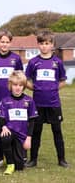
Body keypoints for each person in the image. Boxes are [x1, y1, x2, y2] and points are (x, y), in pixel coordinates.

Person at [25, 30, 69, 168]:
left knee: (57, 131)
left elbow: (63, 81)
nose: (44, 46)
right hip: (37, 104)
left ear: (52, 45)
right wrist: (36, 88)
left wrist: (53, 89)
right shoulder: (33, 62)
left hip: (53, 104)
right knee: (36, 132)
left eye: (47, 43)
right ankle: (33, 160)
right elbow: (26, 80)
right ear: (38, 45)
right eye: (42, 43)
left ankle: (61, 160)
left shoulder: (57, 62)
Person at [0, 29, 23, 167]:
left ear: (10, 43)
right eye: (2, 41)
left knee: (16, 126)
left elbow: (19, 77)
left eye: (7, 42)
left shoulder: (16, 59)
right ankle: (0, 157)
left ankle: (16, 154)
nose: (4, 44)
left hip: (14, 100)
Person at [0, 71, 38, 175]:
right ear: (10, 85)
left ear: (24, 86)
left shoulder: (29, 101)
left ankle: (16, 159)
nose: (18, 87)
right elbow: (0, 118)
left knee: (20, 167)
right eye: (15, 85)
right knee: (5, 137)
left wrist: (28, 138)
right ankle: (10, 164)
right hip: (10, 133)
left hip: (22, 137)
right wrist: (4, 127)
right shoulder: (5, 101)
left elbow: (32, 121)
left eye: (20, 85)